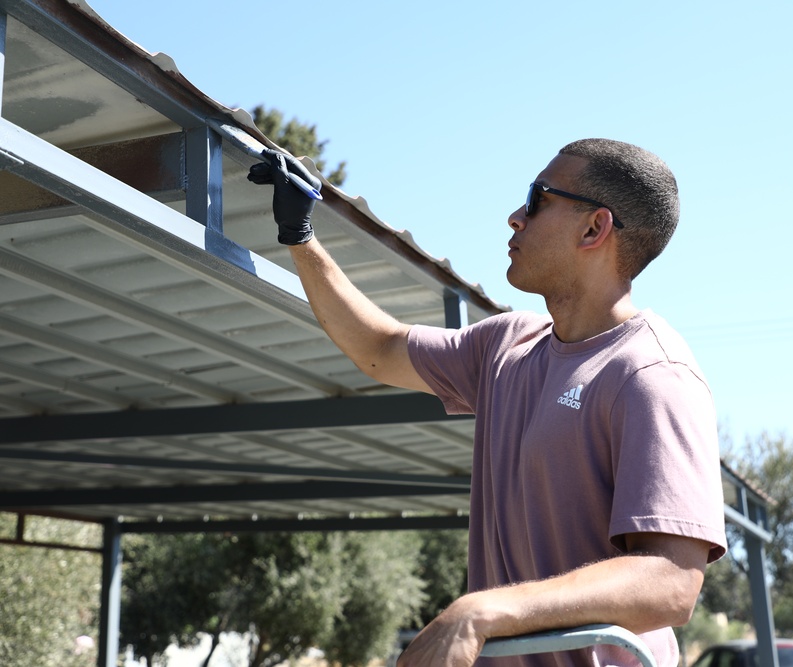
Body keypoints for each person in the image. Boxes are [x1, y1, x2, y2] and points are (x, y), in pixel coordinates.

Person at [248, 139, 728, 667]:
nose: (514, 218)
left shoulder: (653, 375)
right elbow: (379, 350)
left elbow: (672, 582)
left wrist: (481, 611)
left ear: (594, 229)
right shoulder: (507, 346)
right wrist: (299, 235)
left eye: (537, 198)